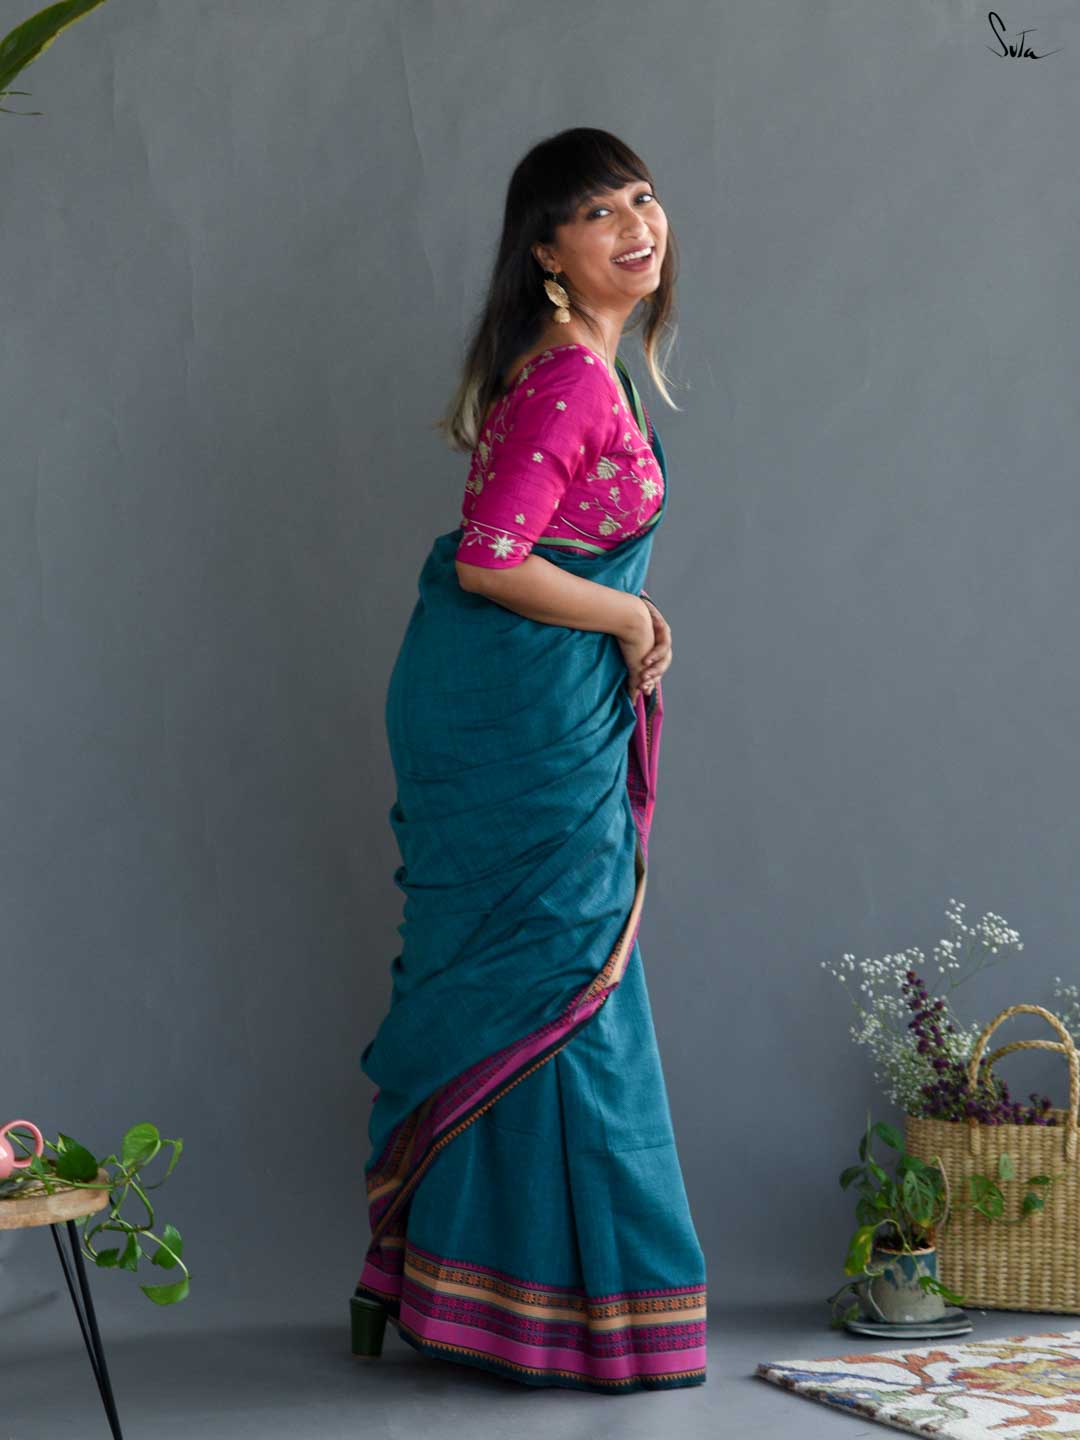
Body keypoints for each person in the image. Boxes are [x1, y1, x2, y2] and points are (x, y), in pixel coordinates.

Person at [351, 127, 707, 1394]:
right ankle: (583, 1313)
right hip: (516, 717)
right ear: (548, 254)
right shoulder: (568, 381)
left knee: (553, 981)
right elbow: (490, 560)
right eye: (600, 212)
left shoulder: (593, 368)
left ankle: (496, 1297)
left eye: (643, 197)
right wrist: (631, 615)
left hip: (531, 699)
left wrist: (626, 621)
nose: (638, 225)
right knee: (559, 978)